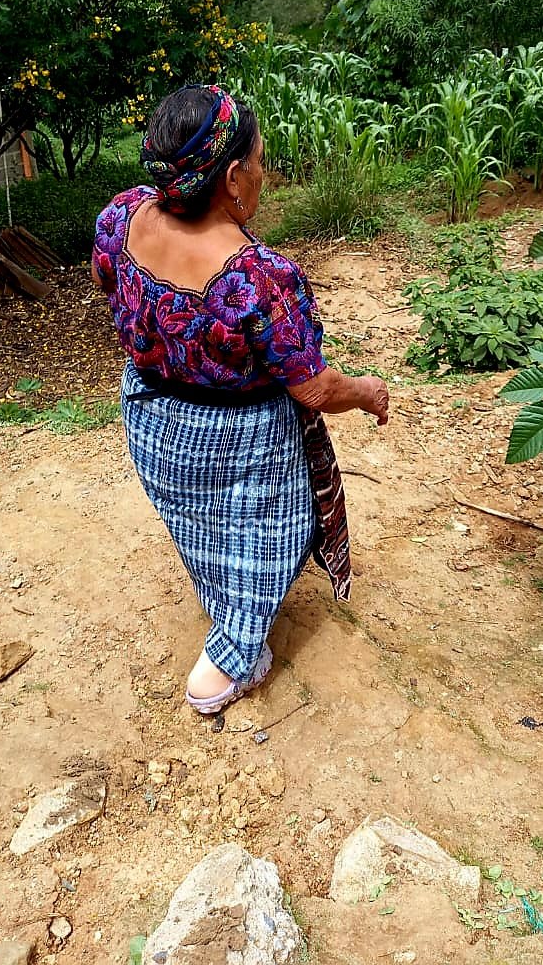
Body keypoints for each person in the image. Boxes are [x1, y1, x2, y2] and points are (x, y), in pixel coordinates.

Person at [93, 84, 389, 715]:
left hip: (150, 419)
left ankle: (221, 601)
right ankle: (231, 661)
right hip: (237, 440)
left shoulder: (121, 219)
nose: (265, 174)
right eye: (258, 161)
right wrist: (364, 392)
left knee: (200, 525)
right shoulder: (257, 277)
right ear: (231, 177)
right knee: (260, 536)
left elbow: (107, 283)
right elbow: (310, 386)